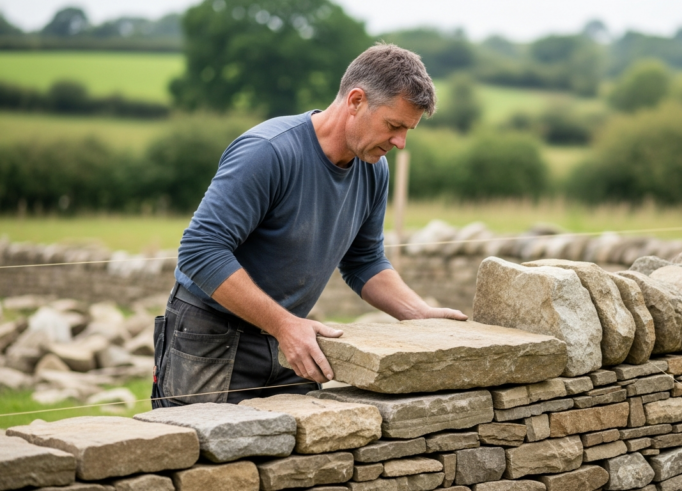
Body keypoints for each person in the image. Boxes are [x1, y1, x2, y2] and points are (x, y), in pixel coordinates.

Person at [151, 44, 467, 408]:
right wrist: (284, 325)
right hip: (212, 337)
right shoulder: (268, 152)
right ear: (356, 100)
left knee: (299, 461)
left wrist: (418, 314)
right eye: (394, 126)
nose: (400, 142)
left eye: (407, 130)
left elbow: (364, 261)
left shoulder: (374, 169)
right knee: (200, 459)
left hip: (293, 339)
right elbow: (199, 251)